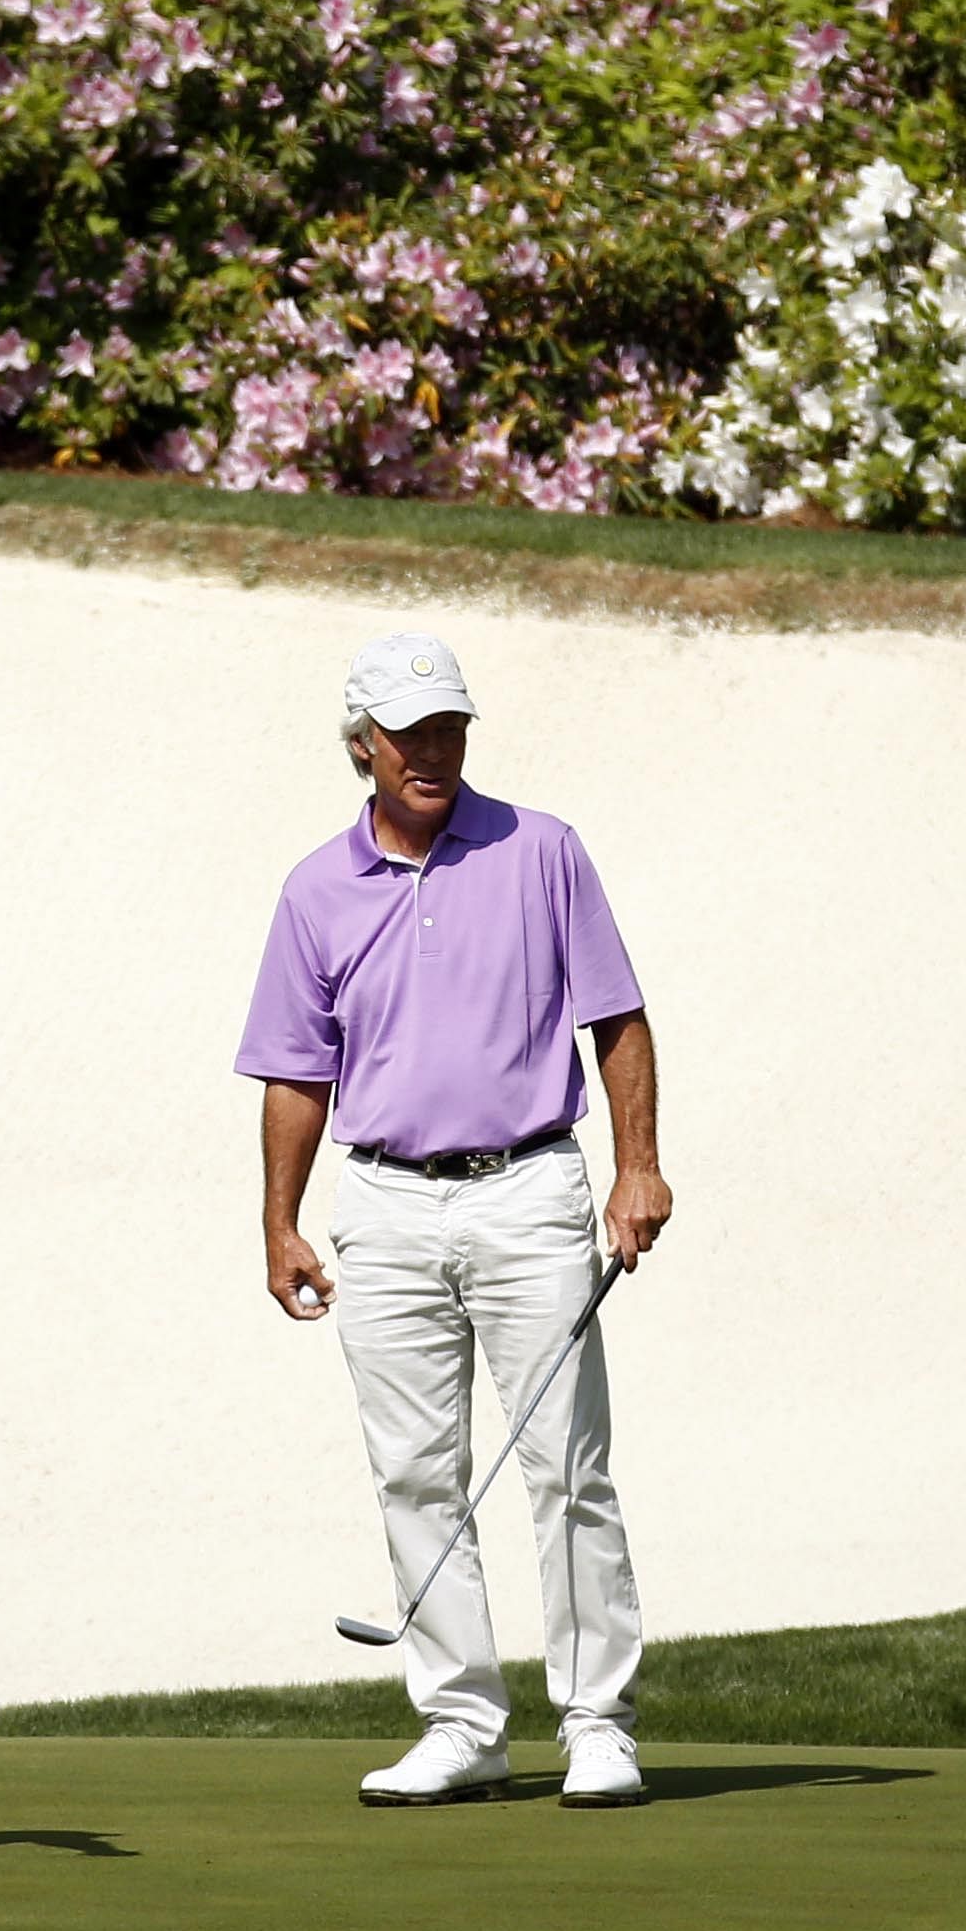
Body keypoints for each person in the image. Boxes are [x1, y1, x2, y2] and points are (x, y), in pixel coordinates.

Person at [237, 629, 674, 1810]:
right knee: (416, 1473)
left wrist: (637, 1168)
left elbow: (617, 1017)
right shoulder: (315, 890)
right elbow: (294, 1072)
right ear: (363, 745)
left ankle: (597, 1723)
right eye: (409, 733)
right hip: (381, 1200)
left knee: (566, 1467)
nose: (433, 752)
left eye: (450, 730)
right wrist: (281, 1222)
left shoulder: (543, 851)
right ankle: (465, 1723)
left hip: (531, 1187)